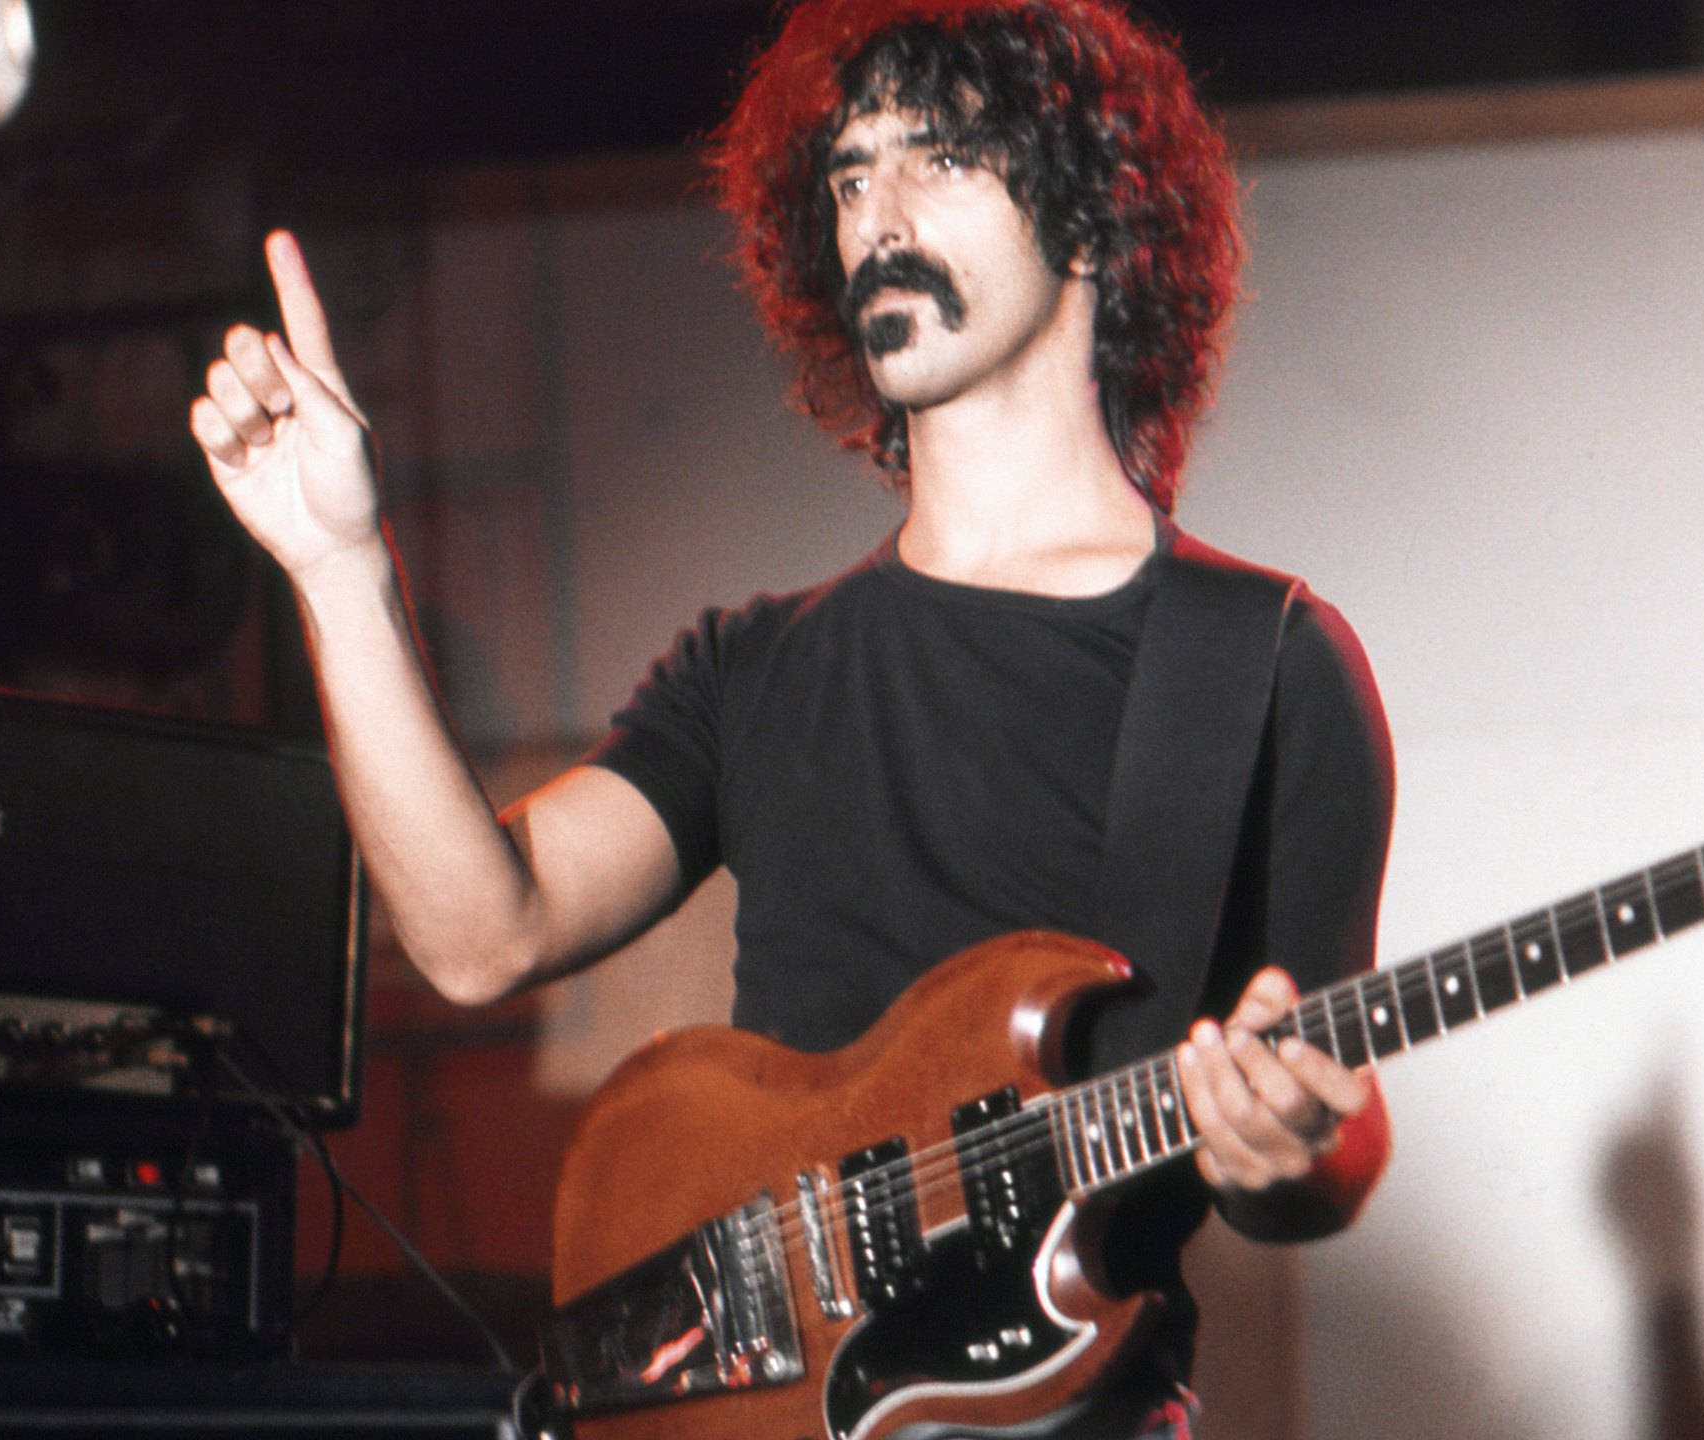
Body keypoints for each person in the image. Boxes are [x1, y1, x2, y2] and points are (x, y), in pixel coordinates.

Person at [185, 0, 1396, 1434]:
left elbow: (1324, 1113)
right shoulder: (754, 665)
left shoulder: (1266, 664)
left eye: (941, 156)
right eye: (849, 173)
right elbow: (476, 934)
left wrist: (1290, 1146)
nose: (878, 215)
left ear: (1090, 215)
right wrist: (337, 567)